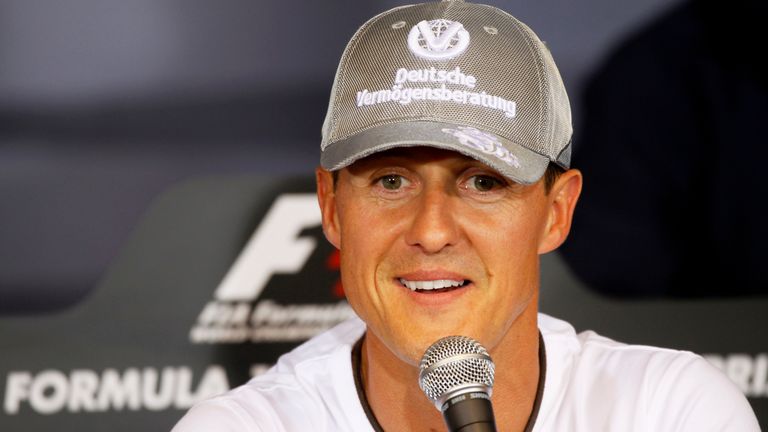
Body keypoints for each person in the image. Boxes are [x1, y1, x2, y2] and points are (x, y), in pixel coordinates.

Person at [173, 0, 759, 430]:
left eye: (483, 182)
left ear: (557, 213)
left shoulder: (669, 411)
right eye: (391, 181)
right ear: (331, 208)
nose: (431, 231)